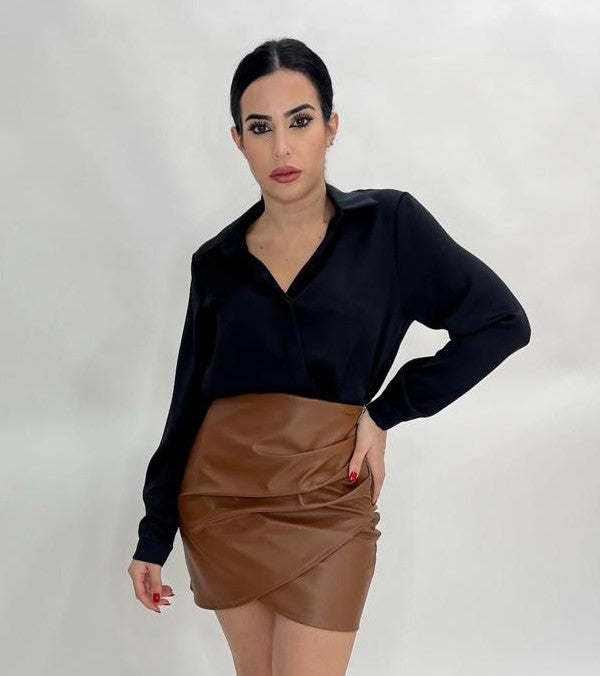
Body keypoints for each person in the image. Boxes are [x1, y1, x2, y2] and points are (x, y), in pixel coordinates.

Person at [127, 37, 531, 676]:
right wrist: (154, 534)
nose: (281, 148)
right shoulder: (216, 262)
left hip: (329, 493)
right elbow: (188, 402)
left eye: (300, 121)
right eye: (260, 128)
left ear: (331, 127)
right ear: (238, 141)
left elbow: (501, 323)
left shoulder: (389, 225)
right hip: (221, 499)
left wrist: (387, 411)